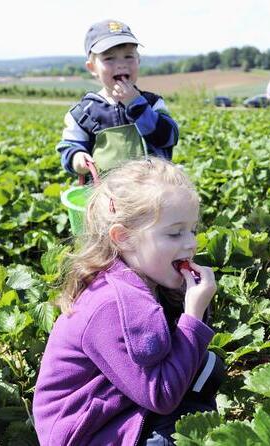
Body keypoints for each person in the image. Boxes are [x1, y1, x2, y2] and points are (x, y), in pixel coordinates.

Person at [33, 159, 224, 445]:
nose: (190, 243)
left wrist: (191, 302)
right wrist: (193, 317)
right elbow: (160, 394)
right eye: (175, 232)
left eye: (192, 230)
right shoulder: (111, 304)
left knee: (208, 367)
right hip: (84, 433)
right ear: (123, 238)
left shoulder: (143, 275)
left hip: (118, 406)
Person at [56, 20, 179, 177]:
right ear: (92, 68)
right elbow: (69, 146)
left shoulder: (152, 103)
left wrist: (137, 105)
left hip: (153, 193)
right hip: (107, 196)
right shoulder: (83, 113)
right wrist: (77, 157)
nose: (121, 65)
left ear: (138, 61)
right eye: (109, 58)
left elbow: (169, 137)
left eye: (128, 56)